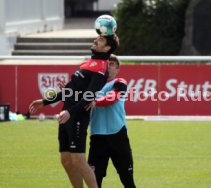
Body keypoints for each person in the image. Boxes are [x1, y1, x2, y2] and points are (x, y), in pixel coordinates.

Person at [29, 34, 120, 188]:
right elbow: (69, 91)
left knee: (78, 159)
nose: (95, 40)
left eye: (100, 40)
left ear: (107, 47)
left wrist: (70, 112)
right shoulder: (88, 63)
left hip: (77, 117)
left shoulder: (101, 68)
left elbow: (89, 96)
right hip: (67, 115)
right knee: (66, 160)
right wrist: (44, 102)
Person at [87, 54, 136, 188]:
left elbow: (112, 98)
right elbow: (76, 103)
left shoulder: (119, 82)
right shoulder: (90, 86)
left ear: (117, 70)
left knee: (127, 179)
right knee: (94, 181)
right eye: (107, 63)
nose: (109, 66)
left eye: (112, 64)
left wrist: (94, 101)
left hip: (118, 136)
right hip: (97, 137)